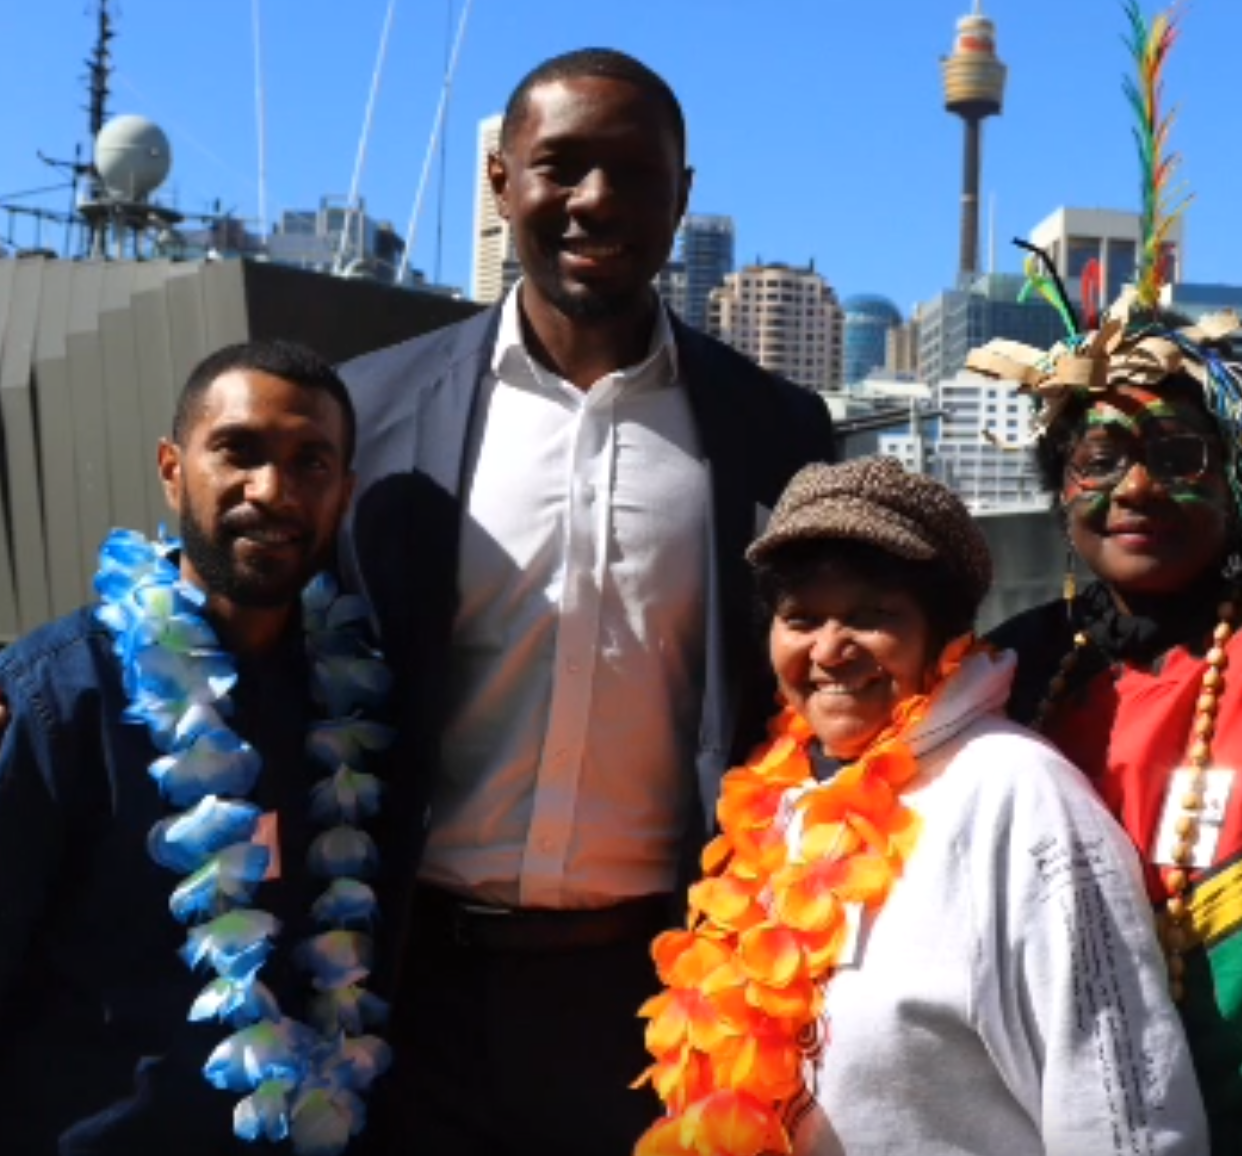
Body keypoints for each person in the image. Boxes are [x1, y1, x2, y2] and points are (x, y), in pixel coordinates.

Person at [336, 48, 835, 1155]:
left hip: (661, 1002)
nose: (595, 200)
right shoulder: (369, 412)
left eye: (633, 172)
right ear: (502, 181)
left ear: (682, 197)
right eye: (561, 166)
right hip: (408, 990)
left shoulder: (775, 431)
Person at [635, 456, 1209, 1156]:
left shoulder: (1016, 794)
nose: (830, 650)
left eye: (873, 616)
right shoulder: (773, 800)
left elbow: (1123, 1114)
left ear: (944, 636)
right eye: (802, 618)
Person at [979, 302, 1242, 1155]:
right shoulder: (1006, 677)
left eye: (1178, 455)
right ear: (1061, 489)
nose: (1136, 488)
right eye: (1100, 459)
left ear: (1238, 475)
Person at [0, 340, 393, 1155]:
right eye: (238, 452)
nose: (272, 491)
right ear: (173, 469)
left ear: (344, 493)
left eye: (310, 462)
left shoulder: (355, 707)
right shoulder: (59, 696)